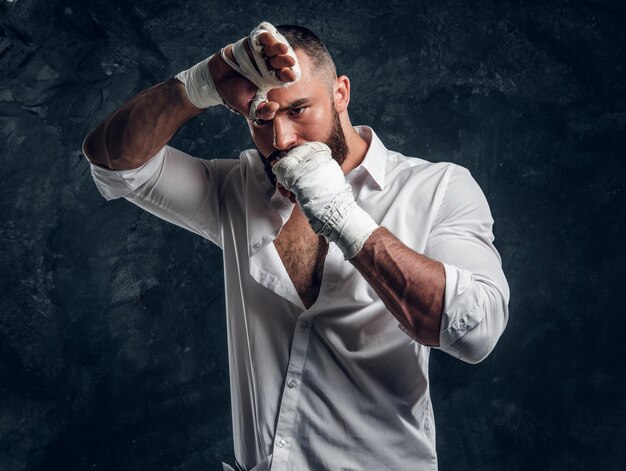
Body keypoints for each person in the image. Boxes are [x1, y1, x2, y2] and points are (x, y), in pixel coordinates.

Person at [82, 21, 509, 471]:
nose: (282, 140)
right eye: (263, 118)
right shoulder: (237, 188)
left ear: (340, 94)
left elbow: (476, 331)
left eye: (301, 110)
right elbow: (114, 162)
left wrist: (342, 216)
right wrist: (200, 83)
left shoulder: (437, 187)